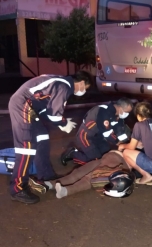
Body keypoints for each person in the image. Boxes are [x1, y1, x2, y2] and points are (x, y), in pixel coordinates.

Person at [8, 70, 93, 204]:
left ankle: (46, 176)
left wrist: (60, 122)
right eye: (85, 89)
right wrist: (63, 123)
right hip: (22, 105)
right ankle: (17, 188)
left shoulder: (60, 82)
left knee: (42, 138)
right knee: (26, 149)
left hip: (31, 108)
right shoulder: (64, 85)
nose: (84, 92)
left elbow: (47, 110)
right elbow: (54, 115)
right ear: (82, 83)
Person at [61, 98, 134, 166]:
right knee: (95, 162)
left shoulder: (118, 117)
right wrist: (119, 143)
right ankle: (72, 154)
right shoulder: (104, 112)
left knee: (106, 155)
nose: (127, 114)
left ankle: (88, 154)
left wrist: (128, 143)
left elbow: (120, 131)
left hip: (98, 137)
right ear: (120, 108)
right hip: (85, 136)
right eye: (127, 112)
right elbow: (107, 133)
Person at [43, 151, 131, 199]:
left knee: (88, 176)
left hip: (115, 160)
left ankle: (58, 188)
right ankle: (54, 185)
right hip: (108, 159)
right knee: (82, 174)